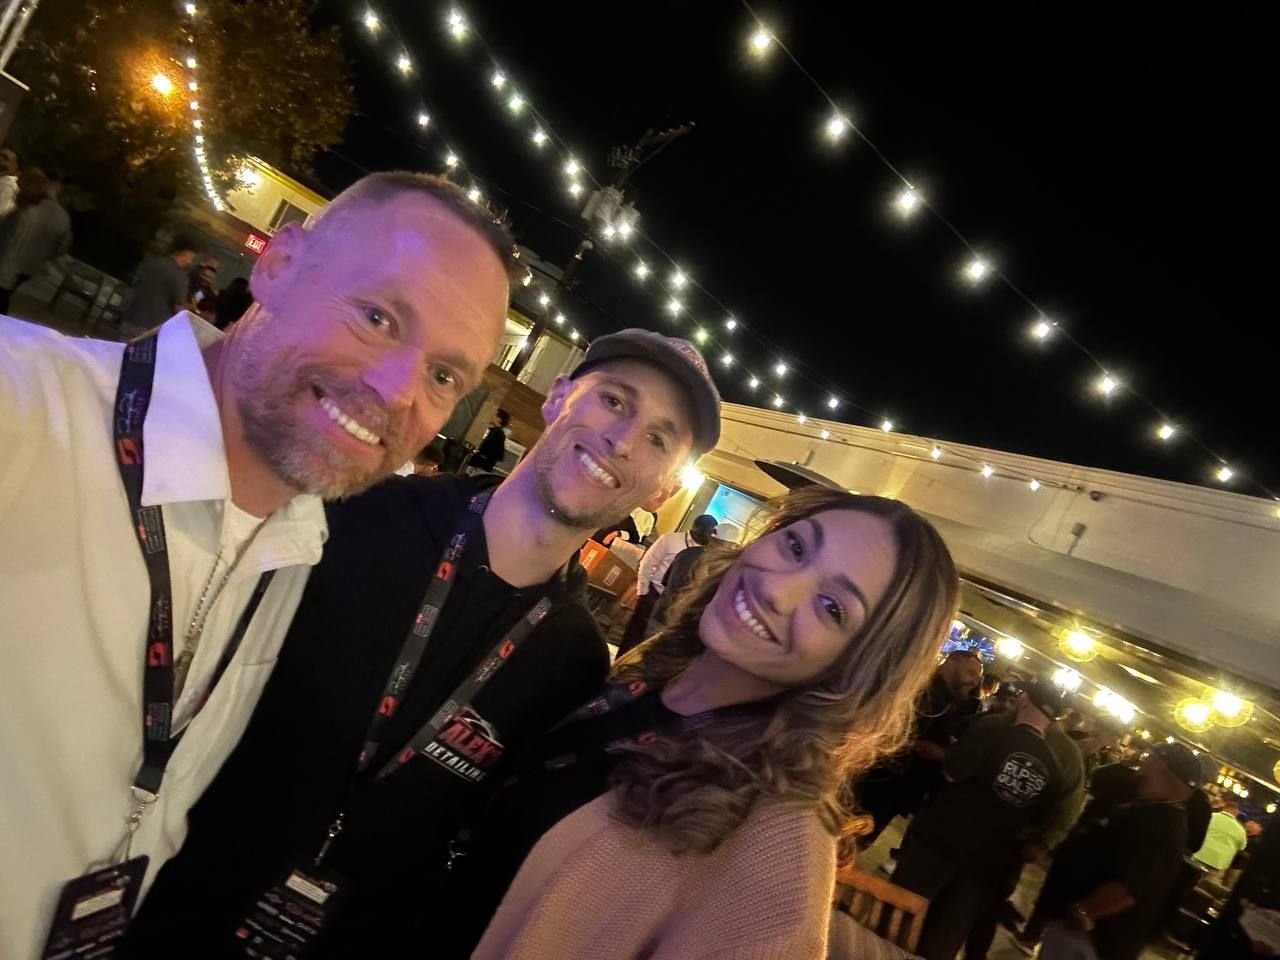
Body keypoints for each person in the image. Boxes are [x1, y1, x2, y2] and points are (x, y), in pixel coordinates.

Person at [0, 170, 517, 959]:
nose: (395, 389)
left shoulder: (303, 541)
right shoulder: (30, 408)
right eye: (376, 315)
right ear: (277, 265)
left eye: (444, 376)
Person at [122, 327, 723, 958]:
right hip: (169, 900)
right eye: (616, 401)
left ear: (662, 489)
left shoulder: (571, 658)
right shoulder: (361, 510)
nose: (622, 441)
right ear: (559, 396)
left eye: (658, 438)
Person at [456, 486, 959, 959]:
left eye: (832, 608)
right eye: (797, 548)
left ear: (857, 665)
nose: (779, 592)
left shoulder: (782, 836)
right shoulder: (645, 675)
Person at [893, 679, 1067, 960]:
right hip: (987, 868)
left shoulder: (992, 732)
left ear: (1024, 701)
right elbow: (1038, 826)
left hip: (940, 845)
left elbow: (952, 771)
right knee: (943, 939)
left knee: (896, 916)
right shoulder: (1055, 772)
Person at [1023, 742, 1205, 960]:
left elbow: (1130, 887)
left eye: (1150, 759)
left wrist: (1085, 911)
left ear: (1164, 770)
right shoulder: (1152, 811)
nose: (1142, 765)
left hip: (1091, 936)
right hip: (1081, 928)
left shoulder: (1162, 825)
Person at [855, 648, 984, 842]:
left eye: (977, 677)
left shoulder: (948, 703)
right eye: (971, 673)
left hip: (895, 786)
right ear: (952, 661)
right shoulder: (922, 692)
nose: (974, 681)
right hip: (880, 780)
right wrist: (931, 750)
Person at [618, 512, 719, 655]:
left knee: (653, 643)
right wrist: (644, 591)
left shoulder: (707, 553)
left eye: (713, 532)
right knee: (635, 635)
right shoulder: (670, 540)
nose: (710, 535)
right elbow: (647, 564)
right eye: (709, 531)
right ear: (697, 528)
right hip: (653, 593)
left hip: (674, 602)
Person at [0, 167, 72, 314]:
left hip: (7, 269)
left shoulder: (30, 211)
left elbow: (12, 245)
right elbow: (61, 247)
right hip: (27, 268)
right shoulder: (62, 217)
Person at [118, 236, 199, 332]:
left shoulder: (151, 262)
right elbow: (179, 310)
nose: (189, 262)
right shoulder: (180, 277)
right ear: (183, 254)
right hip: (150, 328)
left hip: (129, 319)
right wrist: (192, 307)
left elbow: (134, 284)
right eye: (190, 258)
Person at [1194, 799, 1248, 880]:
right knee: (1206, 886)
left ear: (1224, 807)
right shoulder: (1241, 830)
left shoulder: (1211, 816)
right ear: (1236, 812)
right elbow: (1242, 847)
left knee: (1190, 878)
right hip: (1219, 862)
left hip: (1201, 854)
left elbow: (1199, 829)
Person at [0, 146, 19, 217]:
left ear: (15, 165)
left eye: (5, 158)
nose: (1, 161)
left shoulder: (9, 185)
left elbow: (2, 212)